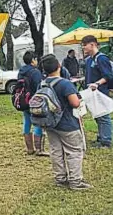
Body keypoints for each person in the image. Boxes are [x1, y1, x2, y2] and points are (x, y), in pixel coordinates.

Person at [39, 54, 92, 190]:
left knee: (56, 151)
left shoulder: (43, 83)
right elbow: (74, 103)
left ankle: (60, 178)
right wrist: (81, 99)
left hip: (50, 123)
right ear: (59, 66)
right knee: (74, 151)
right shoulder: (65, 83)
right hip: (67, 124)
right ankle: (75, 181)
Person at [81, 35, 113, 148]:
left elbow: (108, 75)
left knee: (103, 115)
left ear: (93, 45)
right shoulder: (89, 60)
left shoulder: (102, 59)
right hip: (91, 92)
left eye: (85, 45)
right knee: (97, 115)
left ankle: (106, 141)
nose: (83, 48)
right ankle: (100, 137)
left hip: (101, 92)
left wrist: (98, 83)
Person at [18, 51, 48, 156]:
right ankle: (39, 149)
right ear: (33, 60)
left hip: (24, 101)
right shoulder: (35, 72)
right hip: (34, 101)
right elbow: (38, 87)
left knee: (27, 122)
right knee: (37, 123)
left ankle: (29, 148)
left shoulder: (21, 71)